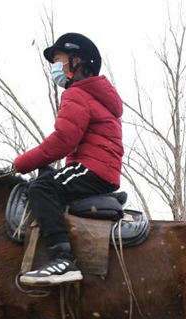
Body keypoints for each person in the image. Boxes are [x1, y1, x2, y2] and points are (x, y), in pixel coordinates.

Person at [14, 33, 124, 285]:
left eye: (58, 60)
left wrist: (21, 163)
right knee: (48, 178)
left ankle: (62, 258)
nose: (54, 68)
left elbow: (63, 140)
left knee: (42, 187)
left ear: (77, 61)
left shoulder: (77, 94)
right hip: (103, 171)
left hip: (90, 168)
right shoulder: (98, 97)